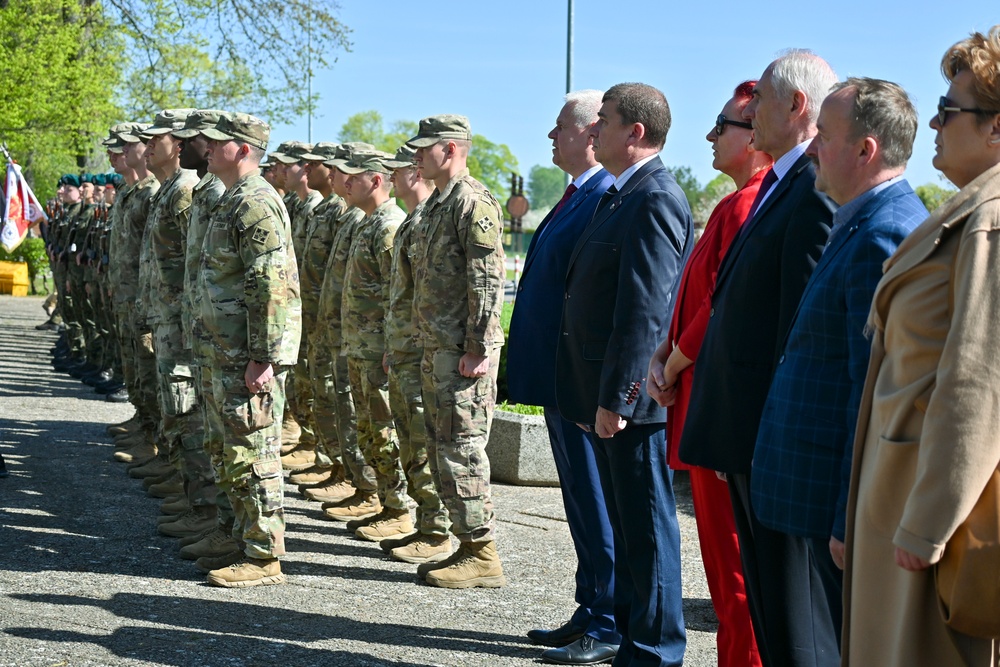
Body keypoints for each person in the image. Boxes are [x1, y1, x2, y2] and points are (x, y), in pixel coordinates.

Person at [749, 76, 925, 655]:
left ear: (865, 150)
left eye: (825, 135)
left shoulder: (886, 232)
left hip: (828, 500)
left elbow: (868, 389)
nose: (815, 147)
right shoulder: (862, 219)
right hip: (812, 490)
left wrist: (848, 517)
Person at [843, 26, 1000, 666]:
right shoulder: (970, 209)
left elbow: (979, 381)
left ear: (996, 128)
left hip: (934, 515)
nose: (934, 121)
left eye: (951, 108)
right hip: (903, 494)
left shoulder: (990, 219)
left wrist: (928, 521)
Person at [677, 50, 838, 667]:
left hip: (768, 437)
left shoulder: (812, 188)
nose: (749, 115)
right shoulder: (781, 185)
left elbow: (795, 329)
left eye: (761, 102)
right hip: (743, 431)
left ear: (796, 106)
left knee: (787, 612)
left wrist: (766, 436)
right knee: (767, 604)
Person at [556, 82, 693, 666]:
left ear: (634, 132)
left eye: (603, 121)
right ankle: (637, 643)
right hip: (604, 395)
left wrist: (620, 396)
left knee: (645, 529)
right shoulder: (622, 193)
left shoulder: (654, 196)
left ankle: (656, 651)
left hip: (630, 404)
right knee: (628, 525)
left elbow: (646, 309)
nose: (594, 130)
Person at [646, 81, 770, 667]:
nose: (711, 136)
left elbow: (717, 307)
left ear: (755, 135)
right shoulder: (733, 201)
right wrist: (664, 351)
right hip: (697, 395)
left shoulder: (748, 204)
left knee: (734, 574)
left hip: (714, 406)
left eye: (722, 126)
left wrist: (670, 361)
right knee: (726, 575)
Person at [506, 90, 621, 662]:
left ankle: (609, 616)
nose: (552, 137)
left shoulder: (604, 195)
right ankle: (590, 603)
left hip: (579, 379)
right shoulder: (577, 193)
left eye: (560, 128)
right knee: (579, 498)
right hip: (557, 377)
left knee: (597, 499)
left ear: (591, 132)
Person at [197, 112, 302, 587]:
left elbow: (271, 285)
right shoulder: (232, 199)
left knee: (255, 451)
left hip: (246, 356)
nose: (207, 147)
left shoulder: (257, 202)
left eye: (218, 142)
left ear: (243, 149)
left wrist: (263, 356)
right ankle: (239, 537)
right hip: (223, 352)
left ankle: (264, 557)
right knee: (229, 450)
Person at [407, 114, 507, 589]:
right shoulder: (436, 205)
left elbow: (486, 280)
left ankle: (482, 552)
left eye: (424, 148)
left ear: (450, 149)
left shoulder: (472, 202)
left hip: (462, 353)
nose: (416, 156)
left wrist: (478, 346)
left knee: (462, 449)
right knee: (442, 447)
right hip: (438, 348)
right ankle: (464, 544)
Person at [379, 144, 451, 563]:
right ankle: (426, 523)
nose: (392, 175)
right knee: (410, 438)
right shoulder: (414, 220)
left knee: (424, 440)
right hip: (407, 348)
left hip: (424, 349)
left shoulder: (427, 218)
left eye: (398, 168)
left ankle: (436, 529)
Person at [338, 150, 411, 541]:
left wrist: (389, 346)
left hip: (377, 351)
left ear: (377, 181)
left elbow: (394, 294)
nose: (345, 183)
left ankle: (397, 508)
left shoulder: (388, 226)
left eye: (354, 177)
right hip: (361, 346)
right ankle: (383, 500)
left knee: (383, 430)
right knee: (368, 427)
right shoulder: (369, 223)